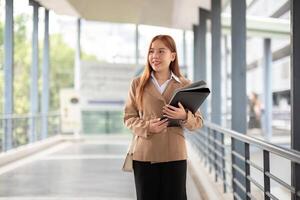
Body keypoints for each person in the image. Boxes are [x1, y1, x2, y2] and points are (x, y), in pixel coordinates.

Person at [123, 35, 203, 200]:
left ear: (172, 56)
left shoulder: (185, 85)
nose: (155, 56)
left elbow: (198, 123)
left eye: (161, 51)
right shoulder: (137, 84)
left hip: (174, 154)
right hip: (145, 154)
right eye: (151, 51)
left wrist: (184, 116)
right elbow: (129, 117)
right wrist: (147, 127)